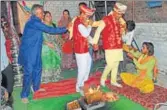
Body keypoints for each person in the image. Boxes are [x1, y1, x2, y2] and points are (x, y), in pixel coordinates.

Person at [18, 4, 67, 103]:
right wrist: (66, 28)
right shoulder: (33, 22)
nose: (43, 13)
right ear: (37, 13)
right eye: (42, 12)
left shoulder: (36, 22)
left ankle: (36, 88)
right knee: (29, 73)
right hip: (29, 53)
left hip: (36, 51)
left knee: (38, 70)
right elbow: (50, 30)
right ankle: (24, 95)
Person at [92, 2, 127, 88]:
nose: (120, 16)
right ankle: (102, 79)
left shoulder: (119, 21)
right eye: (119, 14)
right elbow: (98, 31)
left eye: (121, 14)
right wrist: (95, 43)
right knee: (110, 64)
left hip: (118, 45)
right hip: (109, 46)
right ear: (114, 11)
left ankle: (113, 81)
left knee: (116, 64)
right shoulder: (106, 19)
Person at [71, 5, 95, 95]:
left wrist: (93, 42)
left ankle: (84, 84)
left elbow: (87, 36)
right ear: (82, 14)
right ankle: (78, 86)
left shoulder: (81, 21)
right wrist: (90, 25)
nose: (87, 17)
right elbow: (86, 34)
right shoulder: (79, 23)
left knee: (88, 65)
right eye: (86, 15)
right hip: (80, 50)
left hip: (84, 48)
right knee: (82, 69)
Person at [41, 11, 62, 83]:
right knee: (47, 63)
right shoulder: (41, 27)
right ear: (43, 18)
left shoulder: (53, 25)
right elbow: (39, 38)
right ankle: (46, 79)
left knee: (55, 62)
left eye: (50, 16)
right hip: (45, 48)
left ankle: (55, 77)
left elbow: (56, 37)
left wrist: (57, 36)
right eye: (47, 16)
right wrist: (47, 43)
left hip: (54, 47)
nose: (49, 17)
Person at [1, 25, 14, 108]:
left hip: (5, 62)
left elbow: (4, 45)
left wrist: (7, 56)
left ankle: (7, 99)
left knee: (10, 81)